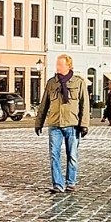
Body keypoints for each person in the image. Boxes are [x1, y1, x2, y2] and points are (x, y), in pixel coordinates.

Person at [34, 55, 89, 193]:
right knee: (54, 155)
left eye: (60, 64)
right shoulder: (52, 83)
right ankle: (58, 184)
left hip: (72, 124)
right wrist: (39, 123)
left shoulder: (78, 82)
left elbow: (84, 104)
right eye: (57, 64)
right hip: (55, 124)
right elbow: (44, 104)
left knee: (72, 155)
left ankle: (71, 182)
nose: (57, 67)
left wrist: (84, 124)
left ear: (68, 66)